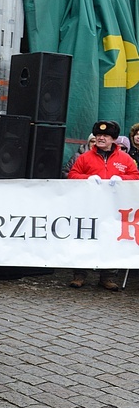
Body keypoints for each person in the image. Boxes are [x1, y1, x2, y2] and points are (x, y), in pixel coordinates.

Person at [67, 120, 139, 291]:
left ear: (113, 139)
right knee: (85, 238)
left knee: (111, 240)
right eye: (98, 135)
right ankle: (79, 274)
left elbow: (135, 176)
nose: (100, 138)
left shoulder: (125, 159)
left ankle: (107, 276)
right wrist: (87, 179)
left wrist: (122, 179)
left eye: (105, 136)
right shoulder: (85, 157)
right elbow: (72, 175)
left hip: (114, 208)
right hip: (89, 206)